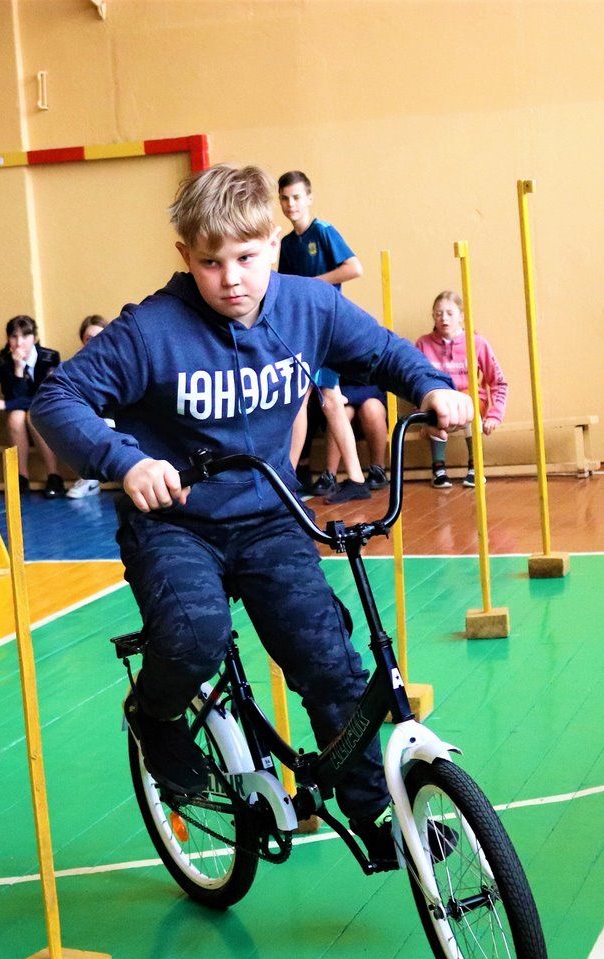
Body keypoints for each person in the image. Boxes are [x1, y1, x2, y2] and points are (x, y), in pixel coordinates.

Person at [31, 164, 470, 860]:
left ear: (275, 243)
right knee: (194, 634)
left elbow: (386, 353)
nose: (231, 278)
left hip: (271, 518)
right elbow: (55, 400)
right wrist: (127, 462)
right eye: (211, 262)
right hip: (176, 520)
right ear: (187, 258)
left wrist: (431, 388)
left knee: (329, 664)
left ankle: (372, 813)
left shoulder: (309, 308)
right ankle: (154, 714)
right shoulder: (153, 330)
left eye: (246, 257)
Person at [277, 170, 370, 505]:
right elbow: (286, 289)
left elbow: (354, 267)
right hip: (304, 331)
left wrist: (316, 284)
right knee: (315, 401)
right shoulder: (287, 245)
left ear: (309, 197)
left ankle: (292, 478)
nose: (291, 204)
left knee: (320, 398)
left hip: (327, 328)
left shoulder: (324, 231)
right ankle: (348, 478)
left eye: (297, 197)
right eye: (285, 199)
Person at [415, 291, 509, 488]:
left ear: (461, 316)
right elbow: (417, 382)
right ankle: (438, 468)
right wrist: (421, 416)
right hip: (440, 403)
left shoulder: (477, 343)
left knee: (467, 401)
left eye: (450, 313)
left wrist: (494, 415)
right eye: (438, 313)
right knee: (438, 404)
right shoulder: (423, 344)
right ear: (433, 316)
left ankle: (475, 467)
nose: (444, 318)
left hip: (471, 403)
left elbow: (499, 383)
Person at [0, 315, 63, 496]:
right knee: (16, 417)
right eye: (14, 336)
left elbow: (45, 396)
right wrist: (18, 369)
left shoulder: (50, 357)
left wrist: (4, 404)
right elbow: (15, 397)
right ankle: (21, 477)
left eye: (25, 336)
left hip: (45, 410)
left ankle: (54, 475)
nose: (19, 342)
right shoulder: (3, 363)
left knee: (33, 415)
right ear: (8, 339)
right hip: (20, 415)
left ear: (34, 338)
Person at [65, 314, 109, 500]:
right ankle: (89, 479)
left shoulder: (121, 362)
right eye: (89, 339)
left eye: (99, 337)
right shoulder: (74, 366)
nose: (94, 343)